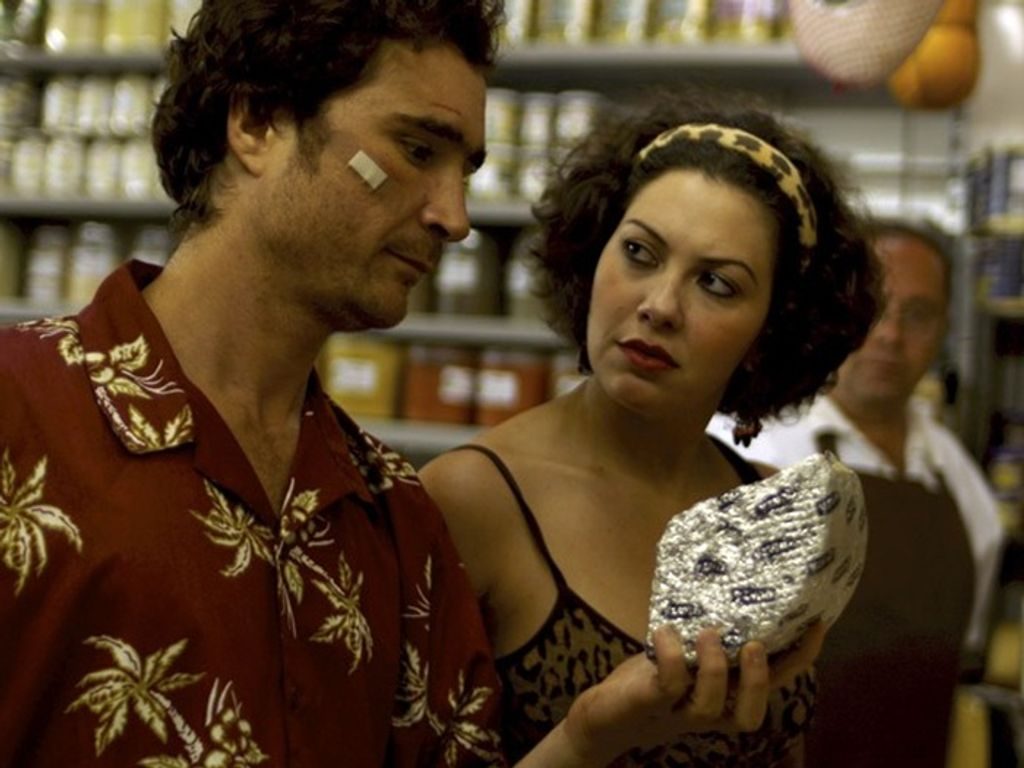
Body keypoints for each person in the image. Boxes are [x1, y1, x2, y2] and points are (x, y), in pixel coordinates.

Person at [0, 3, 810, 766]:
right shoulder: (20, 416)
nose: (455, 217)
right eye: (417, 152)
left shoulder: (390, 513)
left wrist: (591, 735)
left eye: (465, 171)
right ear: (258, 123)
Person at [419, 89, 879, 766]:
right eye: (639, 252)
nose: (660, 305)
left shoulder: (767, 513)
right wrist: (588, 739)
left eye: (716, 284)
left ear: (769, 331)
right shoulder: (469, 499)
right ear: (592, 256)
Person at [708, 218, 1006, 767]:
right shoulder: (747, 451)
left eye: (918, 314)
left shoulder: (958, 478)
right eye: (874, 309)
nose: (891, 335)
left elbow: (961, 657)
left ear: (944, 328)